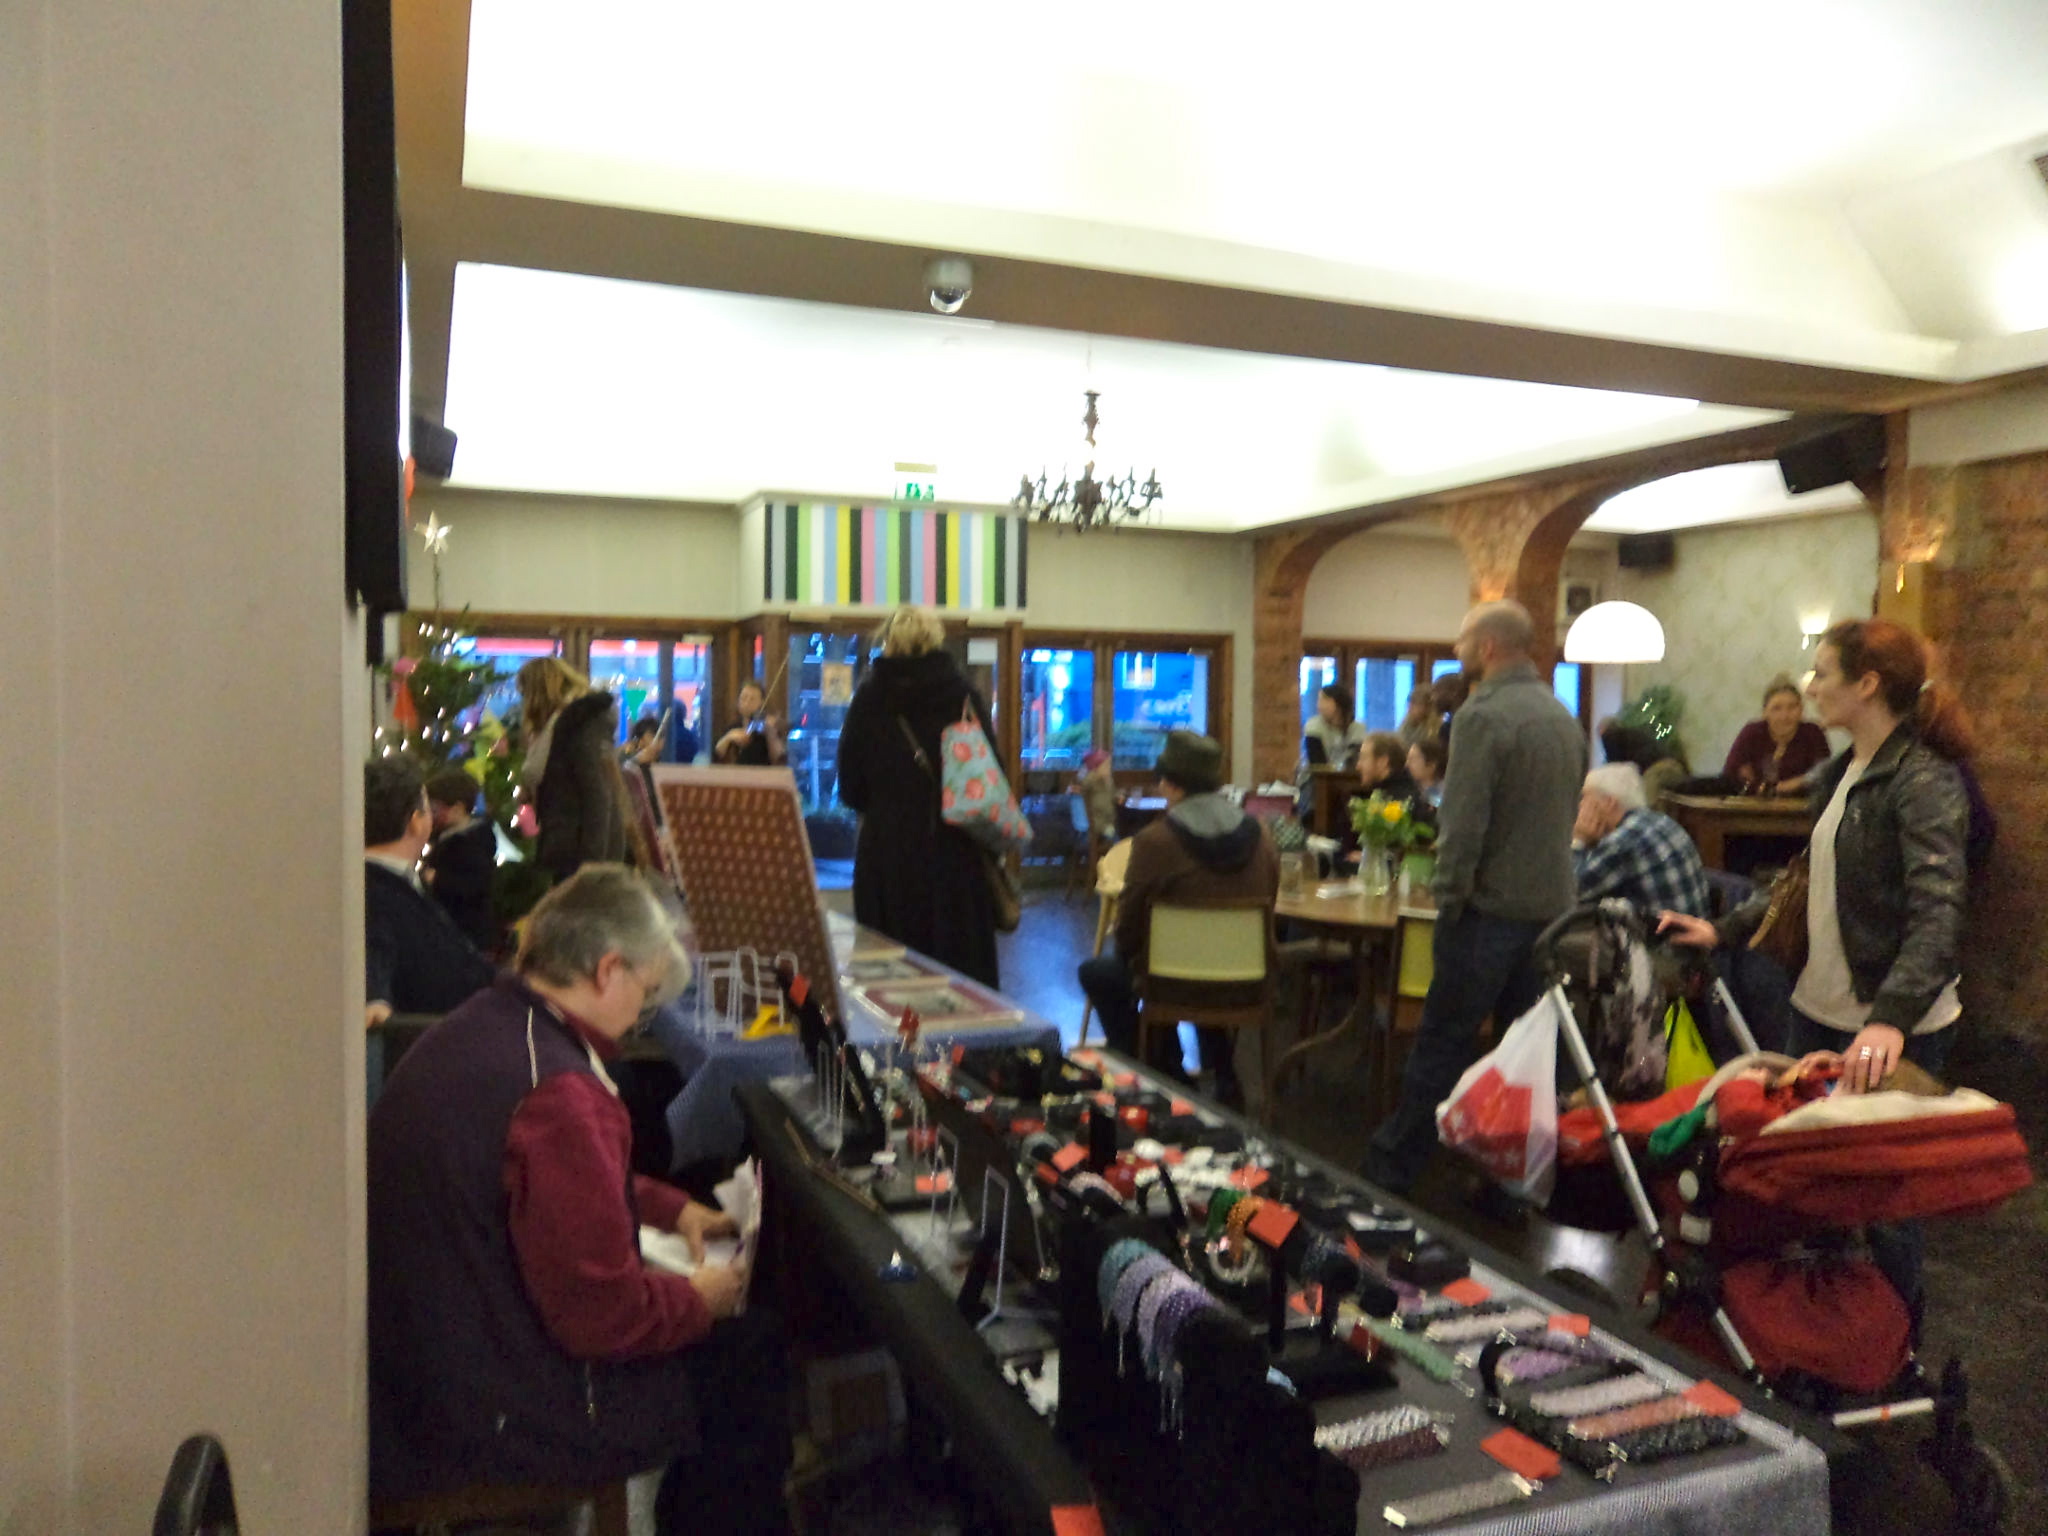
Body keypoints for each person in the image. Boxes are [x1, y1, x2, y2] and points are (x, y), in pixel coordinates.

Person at [368, 866, 789, 1532]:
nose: (641, 1017)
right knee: (748, 1355)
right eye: (646, 994)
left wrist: (669, 1207)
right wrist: (698, 1299)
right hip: (488, 1410)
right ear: (607, 969)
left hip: (421, 1367)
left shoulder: (488, 1022)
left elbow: (538, 1179)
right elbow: (602, 1317)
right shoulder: (560, 1093)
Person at [1659, 618, 1972, 1323]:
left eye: (1823, 673)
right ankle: (1826, 1332)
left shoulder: (1922, 779)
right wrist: (1722, 928)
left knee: (1885, 1204)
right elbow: (1804, 882)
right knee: (1811, 1187)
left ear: (1868, 685)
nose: (1810, 687)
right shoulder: (1842, 772)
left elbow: (1939, 915)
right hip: (1819, 1010)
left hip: (1890, 1027)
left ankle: (1893, 1346)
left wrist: (1890, 1019)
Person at [1363, 602, 1585, 1195]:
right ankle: (1504, 1182)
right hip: (1551, 912)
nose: (1455, 648)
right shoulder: (1563, 717)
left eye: (1462, 638)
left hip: (1488, 914)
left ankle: (1393, 1169)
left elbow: (1462, 828)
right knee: (1520, 1059)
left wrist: (1449, 898)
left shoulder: (1481, 717)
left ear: (1487, 647)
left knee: (1442, 1041)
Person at [1078, 731, 1278, 1110]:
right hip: (1247, 981)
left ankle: (1163, 1072)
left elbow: (1128, 933)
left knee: (1100, 972)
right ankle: (1224, 1074)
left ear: (1170, 784)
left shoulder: (1155, 842)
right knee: (1211, 962)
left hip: (1172, 982)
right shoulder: (1262, 837)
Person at [837, 607, 1002, 987]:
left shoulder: (870, 699)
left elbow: (849, 786)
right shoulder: (963, 696)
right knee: (959, 982)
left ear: (889, 641)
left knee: (890, 980)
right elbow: (995, 775)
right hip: (957, 857)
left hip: (887, 860)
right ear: (935, 640)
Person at [364, 756, 496, 1028]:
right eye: (427, 807)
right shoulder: (377, 891)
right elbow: (376, 957)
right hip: (440, 1036)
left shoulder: (392, 882)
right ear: (415, 821)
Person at [518, 660, 633, 882]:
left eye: (525, 693)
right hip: (571, 847)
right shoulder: (561, 727)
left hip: (580, 853)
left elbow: (598, 795)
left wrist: (592, 868)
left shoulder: (581, 727)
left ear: (538, 693)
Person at [1571, 763, 1709, 921]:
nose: (1579, 806)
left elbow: (1569, 893)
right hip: (1696, 929)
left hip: (1664, 935)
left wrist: (1579, 840)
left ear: (1608, 803)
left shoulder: (1622, 841)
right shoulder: (1660, 820)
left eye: (1584, 799)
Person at [423, 767, 498, 951]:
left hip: (466, 928)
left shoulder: (472, 843)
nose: (430, 814)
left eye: (435, 808)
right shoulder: (445, 837)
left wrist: (437, 880)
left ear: (457, 809)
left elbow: (474, 884)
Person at [1722, 674, 1831, 795]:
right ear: (1765, 713)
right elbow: (1730, 774)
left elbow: (1825, 775)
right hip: (1753, 804)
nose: (1784, 716)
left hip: (1803, 805)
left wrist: (1783, 787)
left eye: (1792, 707)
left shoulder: (1812, 733)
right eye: (1776, 708)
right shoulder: (1752, 732)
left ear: (1801, 710)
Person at [1598, 717, 1688, 804]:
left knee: (1647, 804)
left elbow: (1615, 766)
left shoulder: (1611, 736)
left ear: (1603, 730)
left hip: (1656, 769)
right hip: (1673, 766)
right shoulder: (1632, 735)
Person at [713, 680, 787, 767]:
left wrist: (771, 734)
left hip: (763, 774)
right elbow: (716, 756)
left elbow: (779, 759)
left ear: (761, 702)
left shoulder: (766, 727)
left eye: (752, 699)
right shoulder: (733, 727)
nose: (747, 703)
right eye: (744, 698)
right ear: (738, 702)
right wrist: (728, 737)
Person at [1302, 683, 1369, 771]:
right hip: (1317, 776)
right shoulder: (1313, 727)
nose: (1319, 705)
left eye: (1324, 700)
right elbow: (1317, 764)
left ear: (1338, 704)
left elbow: (1354, 761)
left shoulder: (1358, 728)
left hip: (1347, 776)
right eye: (1319, 700)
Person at [1076, 746, 1117, 844]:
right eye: (1106, 765)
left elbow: (1111, 798)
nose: (1109, 768)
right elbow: (1082, 782)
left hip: (1108, 821)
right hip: (1100, 825)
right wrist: (1095, 775)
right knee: (1122, 836)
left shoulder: (1106, 781)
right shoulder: (1091, 781)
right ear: (1096, 767)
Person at [1406, 737, 1447, 806]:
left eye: (1413, 759)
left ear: (1431, 765)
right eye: (1408, 759)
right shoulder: (1408, 788)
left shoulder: (1444, 793)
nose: (1407, 764)